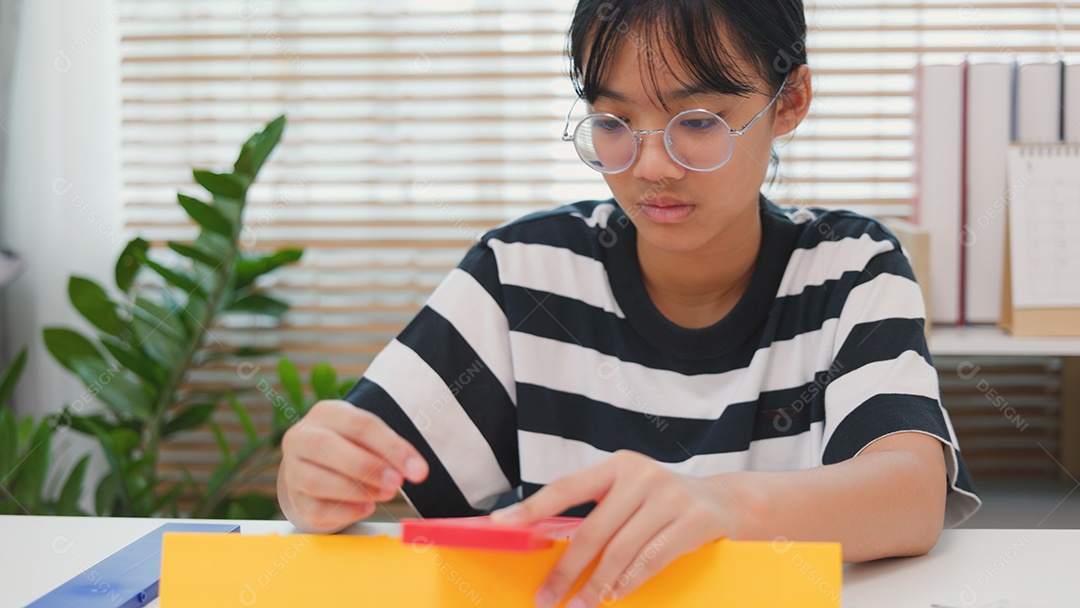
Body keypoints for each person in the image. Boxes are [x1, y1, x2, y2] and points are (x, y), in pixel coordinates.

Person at [277, 1, 981, 606]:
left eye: (698, 120)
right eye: (613, 121)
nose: (650, 165)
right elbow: (360, 461)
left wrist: (726, 504)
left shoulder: (849, 266)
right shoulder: (523, 273)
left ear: (789, 101)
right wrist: (314, 477)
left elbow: (912, 493)